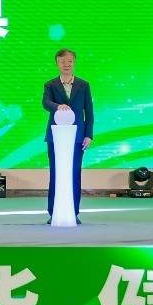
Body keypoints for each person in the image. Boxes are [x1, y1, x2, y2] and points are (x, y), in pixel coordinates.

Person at [41, 48, 94, 225]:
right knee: (56, 173)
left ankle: (74, 212)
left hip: (77, 137)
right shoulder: (50, 85)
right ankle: (53, 212)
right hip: (56, 137)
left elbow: (89, 112)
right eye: (62, 61)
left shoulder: (83, 85)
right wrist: (58, 106)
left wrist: (88, 135)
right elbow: (45, 103)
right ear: (57, 63)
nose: (66, 64)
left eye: (70, 61)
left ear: (74, 63)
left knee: (74, 174)